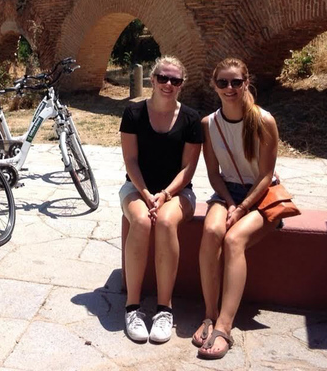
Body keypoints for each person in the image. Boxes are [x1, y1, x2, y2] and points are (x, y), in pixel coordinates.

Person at [193, 57, 281, 359]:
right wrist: (230, 203)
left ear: (246, 82)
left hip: (260, 196)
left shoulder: (264, 120)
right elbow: (214, 174)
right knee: (211, 229)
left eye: (236, 82)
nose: (229, 88)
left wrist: (242, 207)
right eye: (223, 83)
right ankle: (209, 313)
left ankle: (224, 327)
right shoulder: (209, 124)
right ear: (213, 85)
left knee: (233, 240)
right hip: (227, 192)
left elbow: (266, 175)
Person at [120, 56, 203, 343]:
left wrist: (165, 194)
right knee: (141, 221)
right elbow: (130, 161)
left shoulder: (191, 119)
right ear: (152, 79)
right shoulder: (133, 114)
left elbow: (188, 169)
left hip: (179, 192)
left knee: (167, 221)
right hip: (137, 188)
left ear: (181, 85)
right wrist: (146, 194)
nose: (169, 84)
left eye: (175, 80)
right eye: (164, 78)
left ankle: (164, 308)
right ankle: (132, 307)